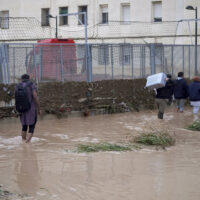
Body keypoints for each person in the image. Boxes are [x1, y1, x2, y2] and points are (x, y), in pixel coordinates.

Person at [15, 74, 40, 143]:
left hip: (21, 109)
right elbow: (35, 96)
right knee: (32, 125)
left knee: (24, 126)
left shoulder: (17, 86)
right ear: (28, 79)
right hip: (31, 109)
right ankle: (27, 143)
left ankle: (23, 141)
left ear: (21, 79)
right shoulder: (31, 85)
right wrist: (39, 108)